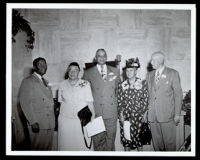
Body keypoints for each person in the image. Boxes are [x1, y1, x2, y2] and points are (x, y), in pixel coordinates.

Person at [83, 49, 120, 151]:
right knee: (98, 140)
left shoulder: (115, 70)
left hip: (111, 111)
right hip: (96, 111)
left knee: (110, 139)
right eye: (99, 56)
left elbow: (118, 90)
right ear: (95, 58)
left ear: (107, 57)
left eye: (104, 55)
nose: (102, 57)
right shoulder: (88, 73)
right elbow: (85, 93)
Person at [146, 51, 183, 151]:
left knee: (169, 145)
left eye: (153, 60)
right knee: (157, 146)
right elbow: (148, 96)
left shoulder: (173, 73)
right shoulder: (149, 75)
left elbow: (178, 95)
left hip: (167, 116)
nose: (151, 62)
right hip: (153, 117)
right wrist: (147, 114)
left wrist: (177, 114)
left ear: (160, 61)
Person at [19, 57, 55, 150]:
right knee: (38, 149)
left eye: (45, 64)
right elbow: (25, 103)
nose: (43, 66)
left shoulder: (46, 82)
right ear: (34, 67)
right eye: (40, 64)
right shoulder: (28, 81)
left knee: (48, 149)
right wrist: (33, 122)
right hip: (38, 123)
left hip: (49, 123)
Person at [57, 62, 95, 151]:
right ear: (67, 71)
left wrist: (93, 115)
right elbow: (60, 102)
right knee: (67, 144)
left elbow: (90, 101)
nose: (72, 72)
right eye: (70, 70)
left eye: (75, 70)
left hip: (81, 119)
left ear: (79, 72)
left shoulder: (85, 83)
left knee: (82, 144)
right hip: (65, 120)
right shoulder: (62, 84)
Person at [117, 58, 149, 151]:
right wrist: (121, 116)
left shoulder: (142, 84)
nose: (128, 72)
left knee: (139, 140)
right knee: (126, 140)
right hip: (126, 117)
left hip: (139, 117)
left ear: (136, 71)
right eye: (127, 70)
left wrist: (145, 115)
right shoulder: (122, 85)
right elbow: (119, 102)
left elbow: (146, 100)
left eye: (131, 70)